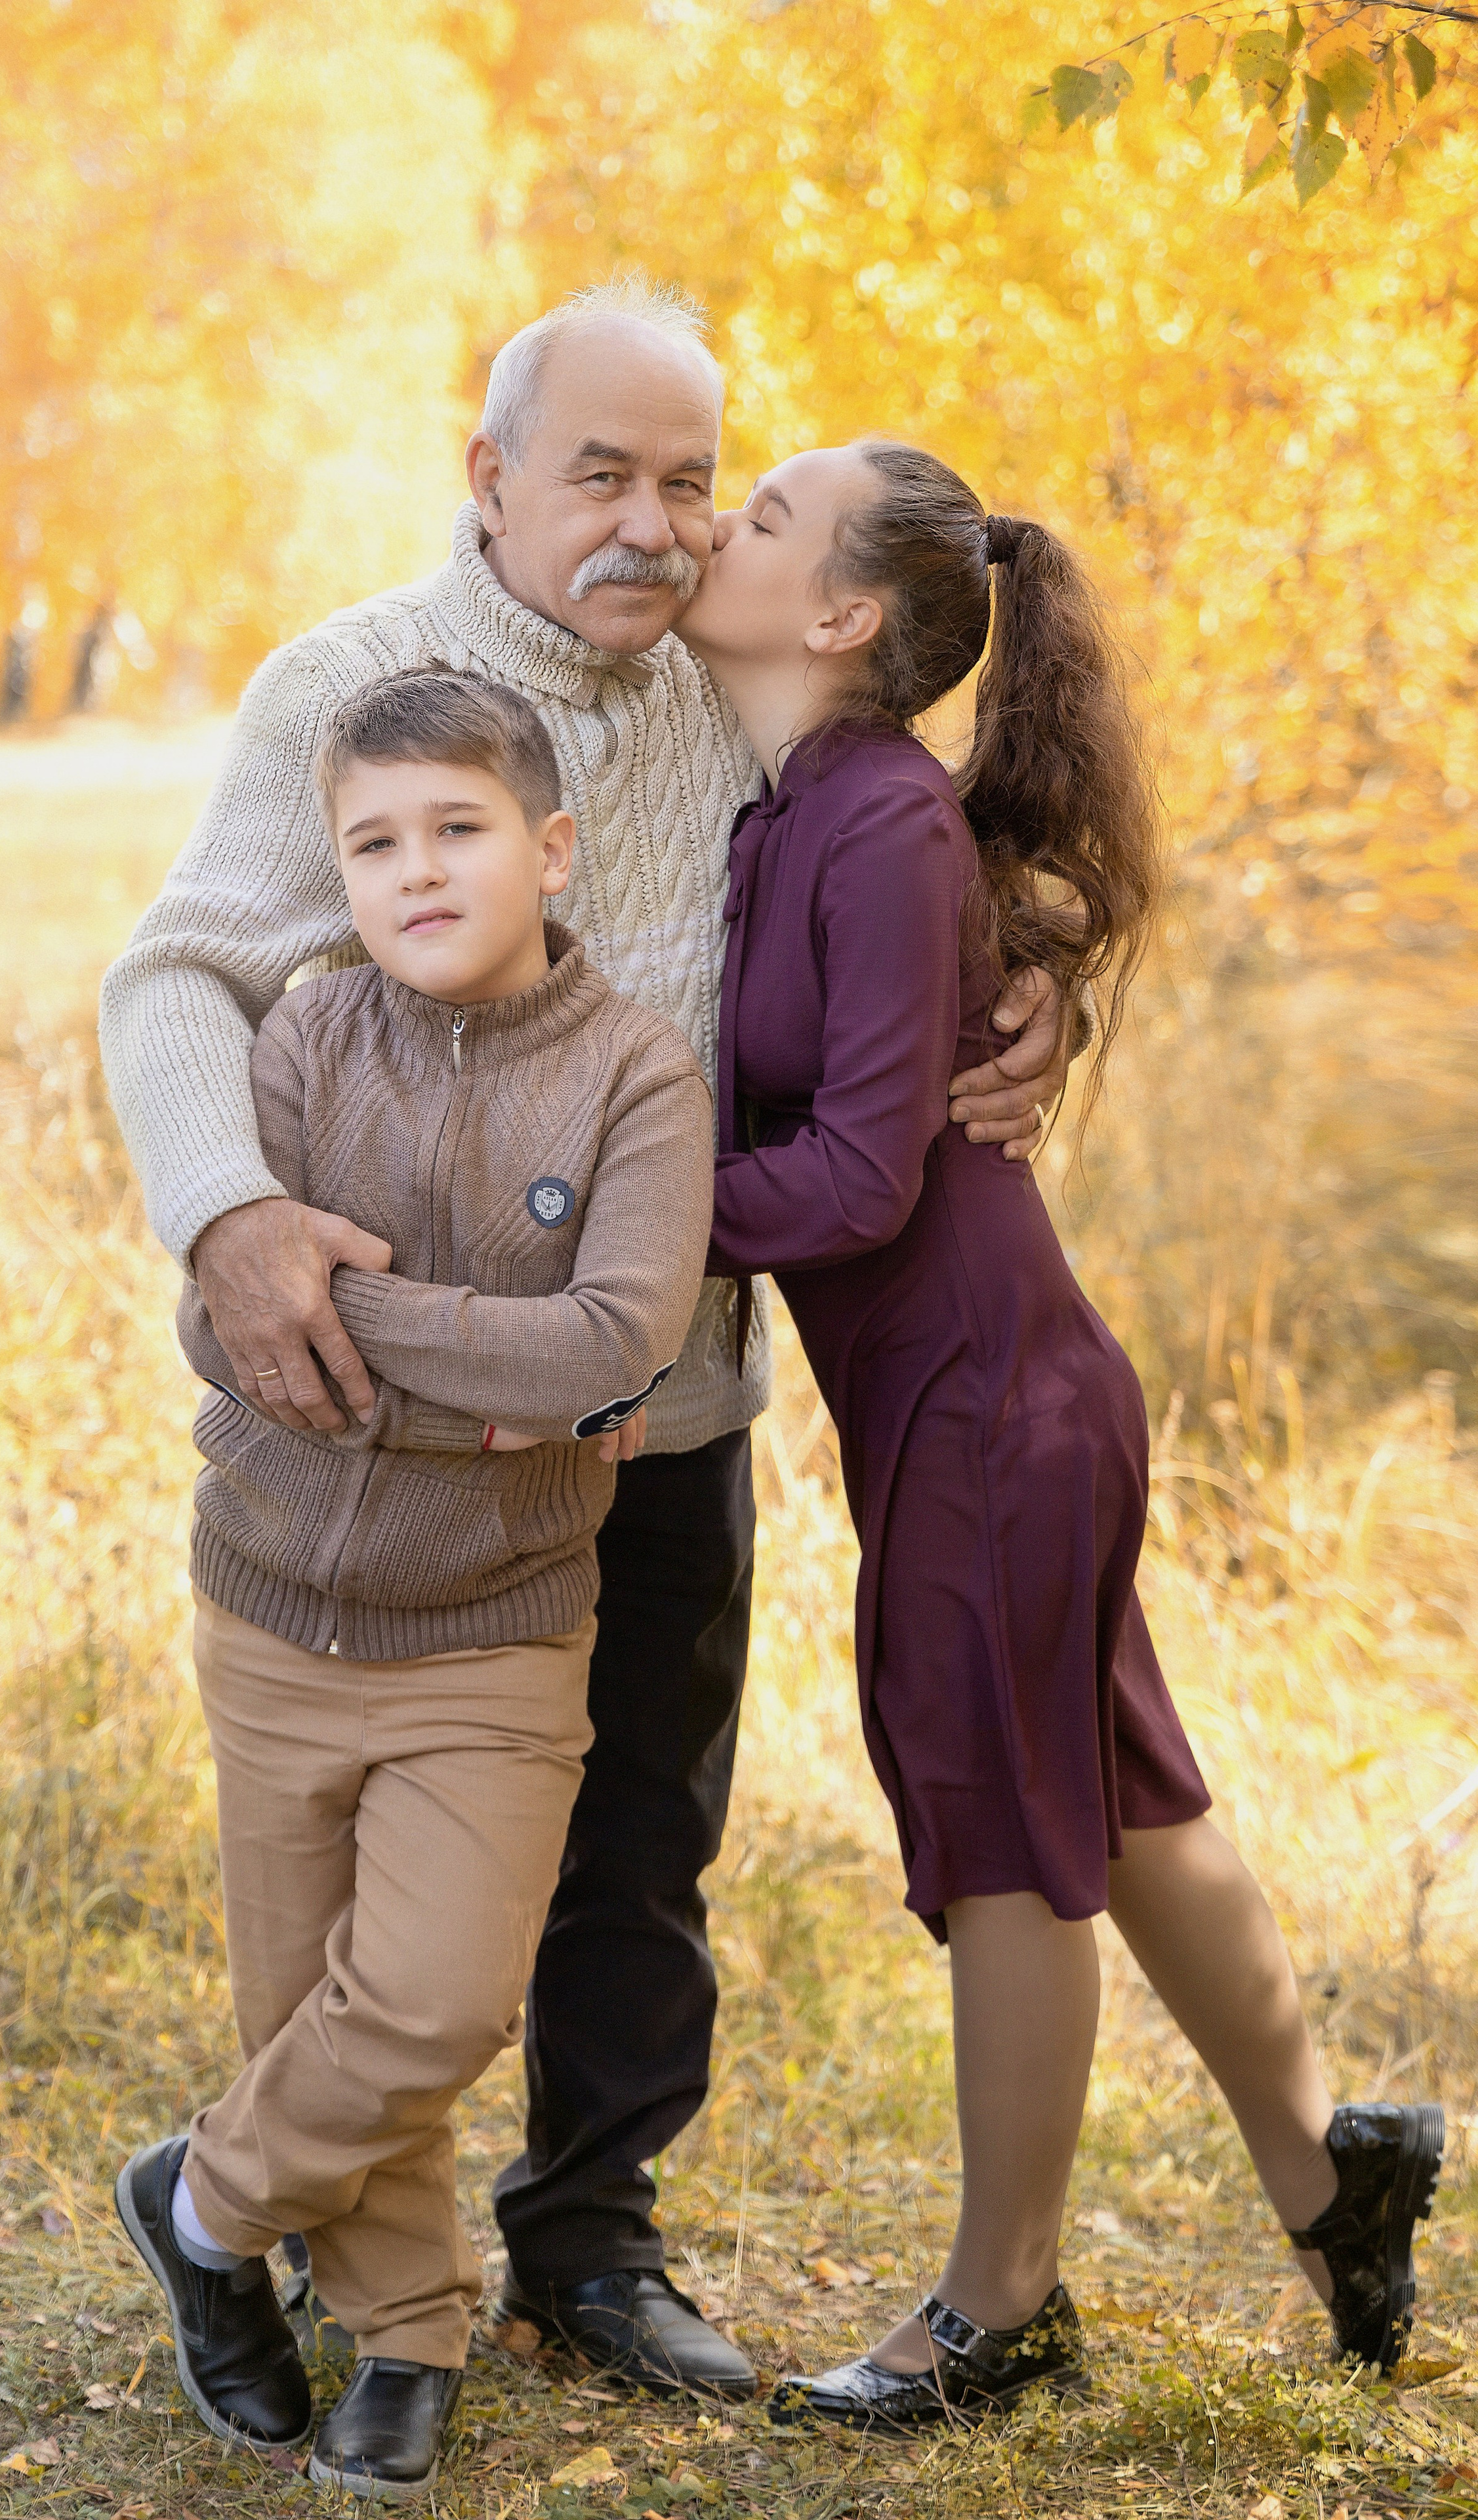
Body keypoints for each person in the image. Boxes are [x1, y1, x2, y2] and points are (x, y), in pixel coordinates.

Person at [99, 277, 1076, 2395]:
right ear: (491, 476)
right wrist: (232, 1217)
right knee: (377, 1894)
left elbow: (923, 859)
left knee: (640, 1844)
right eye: (603, 475)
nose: (655, 525)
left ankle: (592, 2243)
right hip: (410, 1427)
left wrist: (1038, 981)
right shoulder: (351, 688)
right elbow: (178, 973)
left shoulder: (736, 686)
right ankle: (353, 2263)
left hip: (667, 1395)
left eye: (693, 483)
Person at [678, 439, 1444, 2427]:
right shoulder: (805, 801)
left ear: (843, 615)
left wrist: (619, 1219)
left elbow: (860, 1178)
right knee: (1121, 1790)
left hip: (990, 1402)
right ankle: (1332, 2174)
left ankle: (999, 2303)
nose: (720, 526)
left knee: (1008, 1839)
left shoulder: (872, 818)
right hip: (984, 1390)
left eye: (764, 516)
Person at [114, 670, 714, 2496]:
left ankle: (199, 2207)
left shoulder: (637, 1075)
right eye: (375, 844)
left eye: (458, 828)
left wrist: (347, 1310)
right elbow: (222, 1333)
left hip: (492, 1634)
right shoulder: (302, 1042)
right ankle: (405, 2333)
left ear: (552, 848)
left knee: (434, 2002)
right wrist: (486, 1376)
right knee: (306, 2007)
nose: (419, 870)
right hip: (267, 1607)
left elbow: (613, 1344)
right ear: (343, 875)